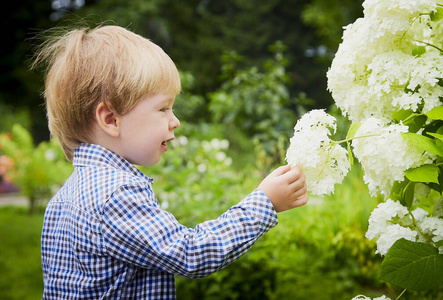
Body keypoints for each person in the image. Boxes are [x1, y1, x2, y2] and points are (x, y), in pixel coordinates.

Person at [32, 25, 308, 299]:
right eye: (163, 108)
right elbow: (191, 253)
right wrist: (264, 203)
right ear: (111, 119)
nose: (175, 121)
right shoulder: (116, 194)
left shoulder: (63, 198)